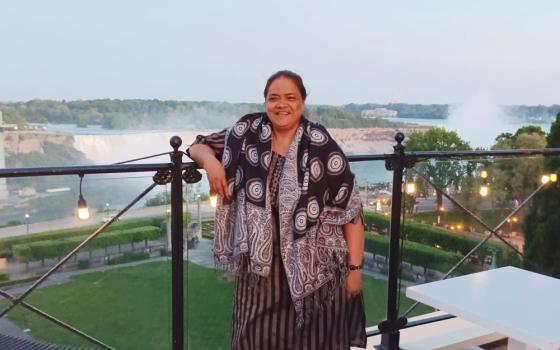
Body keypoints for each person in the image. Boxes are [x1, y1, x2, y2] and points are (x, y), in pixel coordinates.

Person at [187, 70, 366, 349]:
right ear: (265, 102)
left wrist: (354, 269)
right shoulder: (246, 134)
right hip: (260, 269)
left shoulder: (321, 143)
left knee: (316, 342)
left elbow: (351, 210)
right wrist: (211, 164)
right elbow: (198, 146)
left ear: (302, 103)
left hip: (316, 269)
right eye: (274, 98)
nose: (281, 104)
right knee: (252, 339)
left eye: (290, 97)